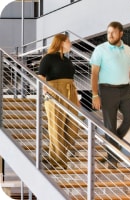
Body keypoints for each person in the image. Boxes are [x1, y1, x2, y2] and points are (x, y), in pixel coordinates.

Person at [90, 21, 130, 169]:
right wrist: (94, 94)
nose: (110, 35)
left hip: (126, 89)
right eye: (108, 32)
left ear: (121, 33)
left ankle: (112, 145)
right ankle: (112, 159)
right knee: (110, 126)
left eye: (113, 32)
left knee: (129, 119)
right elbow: (94, 73)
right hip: (107, 90)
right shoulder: (100, 49)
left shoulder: (128, 50)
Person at [38, 33, 80, 169]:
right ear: (61, 42)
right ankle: (57, 161)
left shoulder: (67, 60)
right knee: (56, 127)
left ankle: (58, 155)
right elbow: (41, 76)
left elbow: (71, 79)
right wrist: (45, 91)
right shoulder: (48, 58)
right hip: (55, 92)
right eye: (68, 41)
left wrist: (76, 97)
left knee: (73, 127)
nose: (70, 44)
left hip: (70, 92)